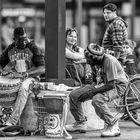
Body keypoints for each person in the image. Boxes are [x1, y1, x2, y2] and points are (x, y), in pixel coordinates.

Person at [66, 43, 129, 137]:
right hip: (102, 83)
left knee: (97, 100)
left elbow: (111, 85)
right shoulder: (94, 62)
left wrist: (92, 92)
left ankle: (113, 125)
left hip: (118, 86)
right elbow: (96, 80)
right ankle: (80, 123)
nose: (87, 61)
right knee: (74, 95)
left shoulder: (109, 61)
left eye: (88, 59)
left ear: (96, 59)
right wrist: (87, 90)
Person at [0, 27, 45, 126]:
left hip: (32, 79)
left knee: (23, 88)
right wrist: (3, 73)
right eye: (20, 41)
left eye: (25, 40)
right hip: (16, 77)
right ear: (14, 40)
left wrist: (27, 74)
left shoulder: (33, 47)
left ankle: (12, 122)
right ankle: (2, 118)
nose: (23, 43)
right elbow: (1, 63)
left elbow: (42, 68)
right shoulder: (11, 48)